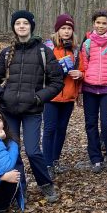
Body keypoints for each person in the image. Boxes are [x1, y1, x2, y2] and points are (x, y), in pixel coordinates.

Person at [0, 10, 64, 204]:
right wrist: (2, 95)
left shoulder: (44, 52)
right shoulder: (6, 53)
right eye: (18, 23)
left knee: (33, 150)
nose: (22, 26)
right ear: (13, 27)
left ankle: (45, 183)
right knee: (13, 150)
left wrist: (39, 98)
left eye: (25, 23)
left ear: (31, 26)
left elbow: (57, 82)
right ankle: (19, 187)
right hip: (8, 111)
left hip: (32, 111)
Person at [42, 13, 84, 179]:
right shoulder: (48, 47)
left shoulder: (76, 49)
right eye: (63, 28)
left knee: (61, 130)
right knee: (49, 129)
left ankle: (55, 160)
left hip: (68, 97)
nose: (66, 31)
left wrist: (79, 74)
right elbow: (40, 70)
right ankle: (47, 164)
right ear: (57, 30)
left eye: (69, 29)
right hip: (51, 97)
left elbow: (83, 70)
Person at [80, 10, 107, 175]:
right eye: (98, 23)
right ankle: (95, 158)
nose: (101, 26)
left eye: (104, 23)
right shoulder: (87, 43)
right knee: (90, 125)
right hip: (89, 88)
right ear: (93, 24)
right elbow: (83, 65)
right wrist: (80, 91)